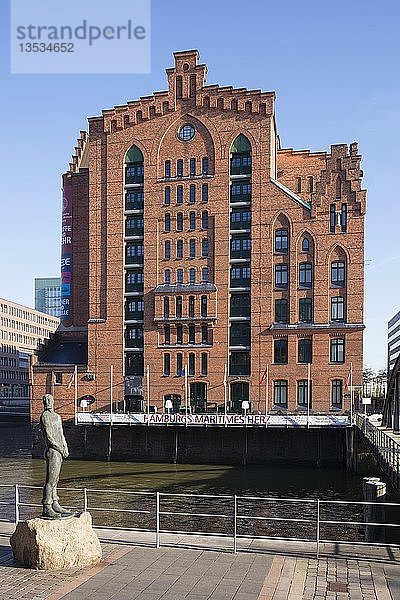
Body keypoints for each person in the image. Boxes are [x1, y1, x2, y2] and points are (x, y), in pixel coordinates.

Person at [40, 394, 72, 518]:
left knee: (56, 479)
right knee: (50, 480)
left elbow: (61, 433)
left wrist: (65, 446)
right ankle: (47, 506)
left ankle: (55, 502)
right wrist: (59, 448)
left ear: (53, 401)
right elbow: (49, 437)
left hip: (59, 450)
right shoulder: (45, 416)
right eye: (45, 400)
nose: (48, 402)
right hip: (53, 451)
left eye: (49, 400)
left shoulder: (57, 417)